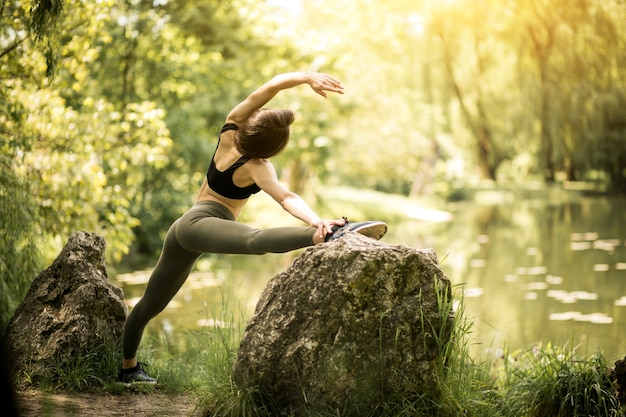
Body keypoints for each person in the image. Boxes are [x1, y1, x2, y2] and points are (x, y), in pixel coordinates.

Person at [116, 72, 387, 385]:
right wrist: (316, 221)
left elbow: (270, 86)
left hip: (185, 228)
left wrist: (304, 78)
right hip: (200, 224)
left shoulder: (230, 129)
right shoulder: (257, 166)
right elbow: (286, 197)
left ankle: (128, 370)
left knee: (150, 305)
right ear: (271, 151)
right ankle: (326, 234)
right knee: (255, 239)